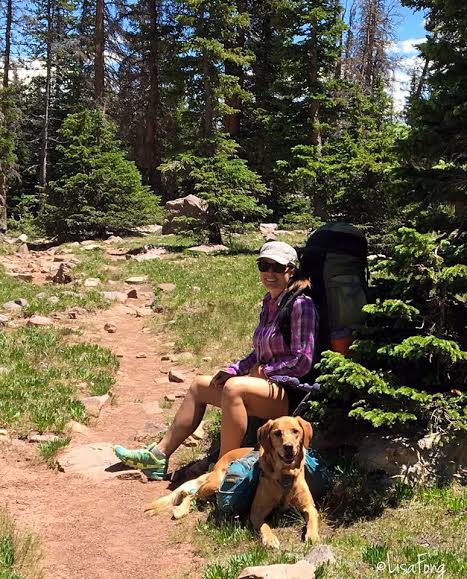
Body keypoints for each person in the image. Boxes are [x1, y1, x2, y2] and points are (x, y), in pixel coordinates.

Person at [113, 241, 317, 480]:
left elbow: (303, 360)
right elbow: (259, 352)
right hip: (264, 385)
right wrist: (234, 369)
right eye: (264, 265)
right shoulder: (269, 302)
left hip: (289, 392)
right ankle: (159, 455)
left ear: (290, 270)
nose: (269, 273)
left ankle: (223, 467)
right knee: (201, 385)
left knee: (234, 388)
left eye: (277, 267)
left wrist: (266, 371)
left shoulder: (301, 305)